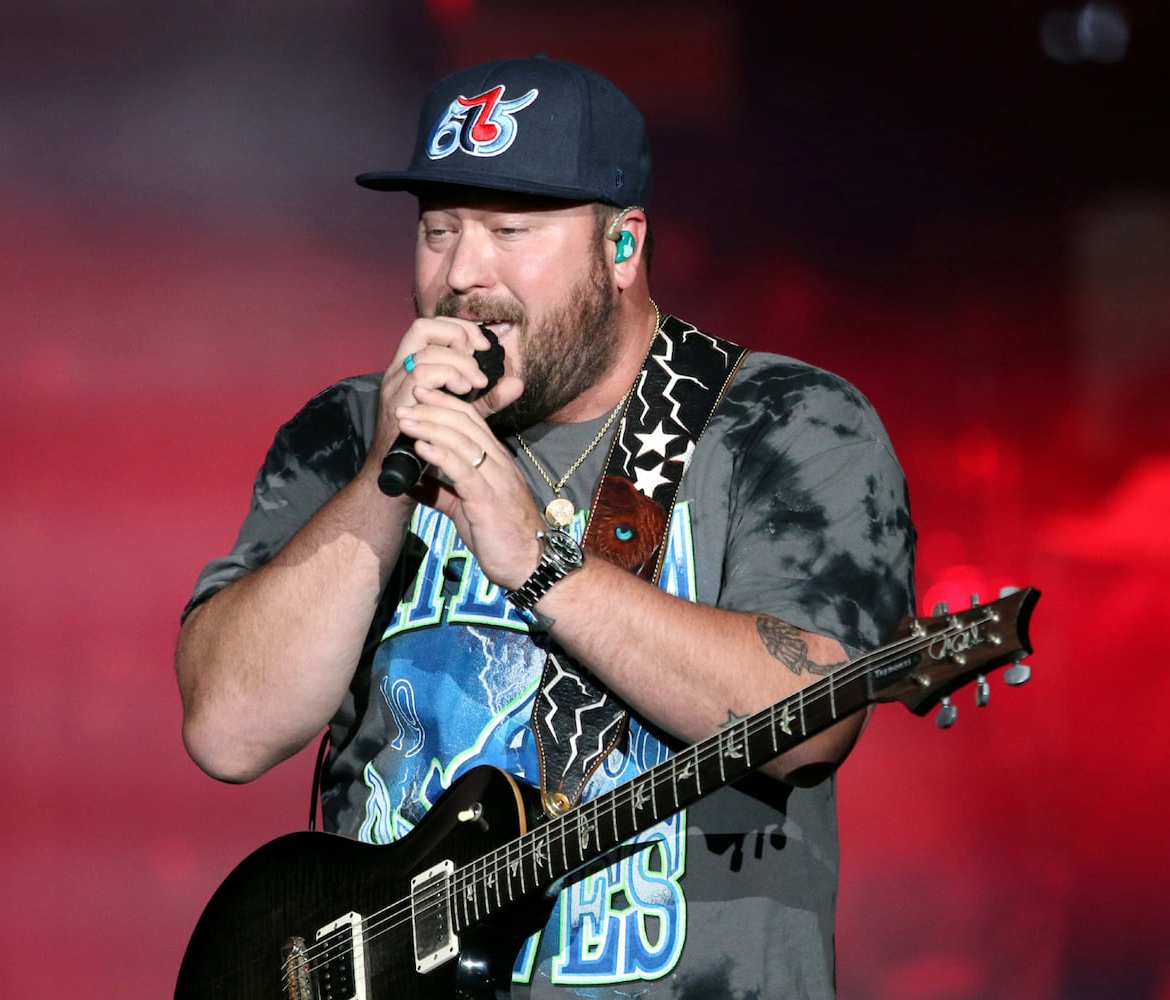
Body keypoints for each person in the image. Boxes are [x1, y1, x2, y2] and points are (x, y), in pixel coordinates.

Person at [176, 55, 915, 998]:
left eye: (510, 231)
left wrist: (538, 561)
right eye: (438, 230)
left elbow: (809, 721)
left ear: (622, 248)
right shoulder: (349, 431)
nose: (462, 275)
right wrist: (381, 478)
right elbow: (228, 733)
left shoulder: (785, 422)